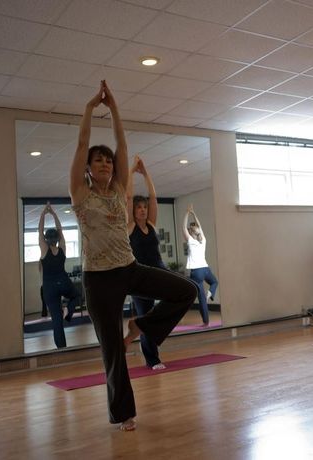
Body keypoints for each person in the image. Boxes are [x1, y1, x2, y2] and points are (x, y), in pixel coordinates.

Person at [69, 80, 197, 432]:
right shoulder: (80, 194)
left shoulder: (120, 189)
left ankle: (142, 325)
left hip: (128, 268)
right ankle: (124, 413)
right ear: (89, 169)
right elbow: (81, 144)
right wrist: (90, 108)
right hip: (98, 278)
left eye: (108, 161)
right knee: (112, 350)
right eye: (99, 161)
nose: (106, 164)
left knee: (187, 291)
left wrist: (116, 110)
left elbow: (122, 144)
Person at [126, 155, 166, 370]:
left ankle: (150, 342)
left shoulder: (150, 224)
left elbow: (153, 196)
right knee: (145, 318)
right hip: (140, 278)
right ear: (133, 211)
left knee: (182, 291)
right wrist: (132, 171)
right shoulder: (130, 226)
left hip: (158, 270)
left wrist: (146, 172)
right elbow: (128, 195)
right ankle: (152, 358)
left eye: (144, 207)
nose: (142, 209)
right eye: (138, 207)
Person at [38, 202, 82, 348]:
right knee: (77, 296)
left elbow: (39, 230)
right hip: (63, 282)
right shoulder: (62, 248)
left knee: (56, 321)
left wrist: (44, 213)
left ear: (46, 239)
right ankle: (68, 311)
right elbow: (60, 230)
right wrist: (54, 214)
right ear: (57, 239)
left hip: (49, 287)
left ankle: (62, 349)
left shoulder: (44, 250)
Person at [182, 204, 218, 326]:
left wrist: (187, 213)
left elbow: (183, 227)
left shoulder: (191, 241)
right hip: (205, 269)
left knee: (201, 298)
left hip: (196, 272)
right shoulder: (203, 240)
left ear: (190, 232)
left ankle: (206, 322)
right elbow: (200, 226)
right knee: (214, 282)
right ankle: (210, 294)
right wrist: (194, 213)